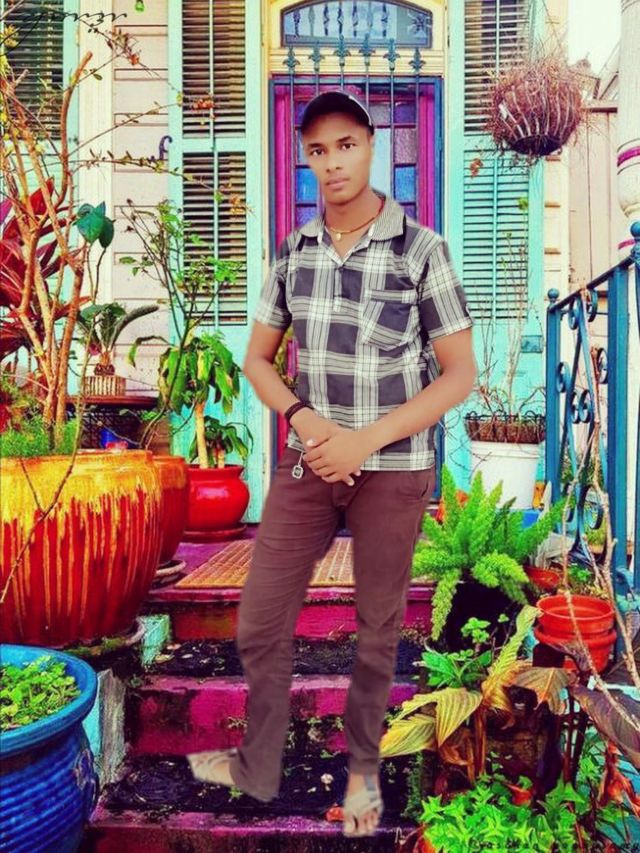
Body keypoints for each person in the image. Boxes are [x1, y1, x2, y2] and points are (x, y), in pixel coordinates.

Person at [187, 90, 476, 837]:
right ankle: (257, 764)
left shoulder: (422, 250)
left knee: (378, 626)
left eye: (346, 145)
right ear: (305, 159)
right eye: (318, 150)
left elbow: (459, 375)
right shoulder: (293, 253)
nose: (333, 162)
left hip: (395, 466)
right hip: (307, 459)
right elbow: (258, 359)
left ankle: (362, 772)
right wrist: (307, 420)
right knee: (260, 615)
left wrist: (363, 441)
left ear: (371, 146)